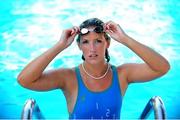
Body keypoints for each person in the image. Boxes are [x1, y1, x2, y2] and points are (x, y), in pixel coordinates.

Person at [17, 18, 170, 119]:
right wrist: (60, 45)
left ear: (107, 43)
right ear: (79, 46)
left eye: (98, 41)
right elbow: (24, 80)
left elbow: (162, 68)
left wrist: (125, 39)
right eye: (85, 42)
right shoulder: (68, 78)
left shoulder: (123, 74)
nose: (92, 48)